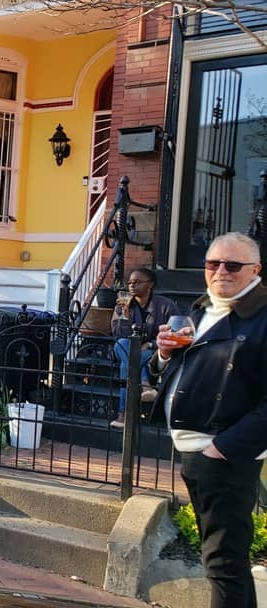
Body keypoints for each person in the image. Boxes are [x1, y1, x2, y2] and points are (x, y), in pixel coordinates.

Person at [153, 232, 267, 608]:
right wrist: (164, 357)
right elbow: (178, 374)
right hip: (194, 452)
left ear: (256, 271)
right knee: (222, 562)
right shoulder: (201, 310)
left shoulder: (262, 317)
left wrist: (222, 449)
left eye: (233, 265)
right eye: (213, 264)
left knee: (223, 562)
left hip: (223, 455)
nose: (221, 271)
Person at [109, 267, 179, 428]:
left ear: (150, 285)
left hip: (153, 352)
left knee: (127, 366)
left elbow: (174, 332)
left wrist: (151, 344)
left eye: (137, 282)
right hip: (127, 347)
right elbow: (118, 334)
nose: (132, 285)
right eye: (130, 282)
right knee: (123, 344)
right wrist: (125, 316)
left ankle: (124, 414)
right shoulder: (123, 305)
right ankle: (146, 384)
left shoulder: (165, 306)